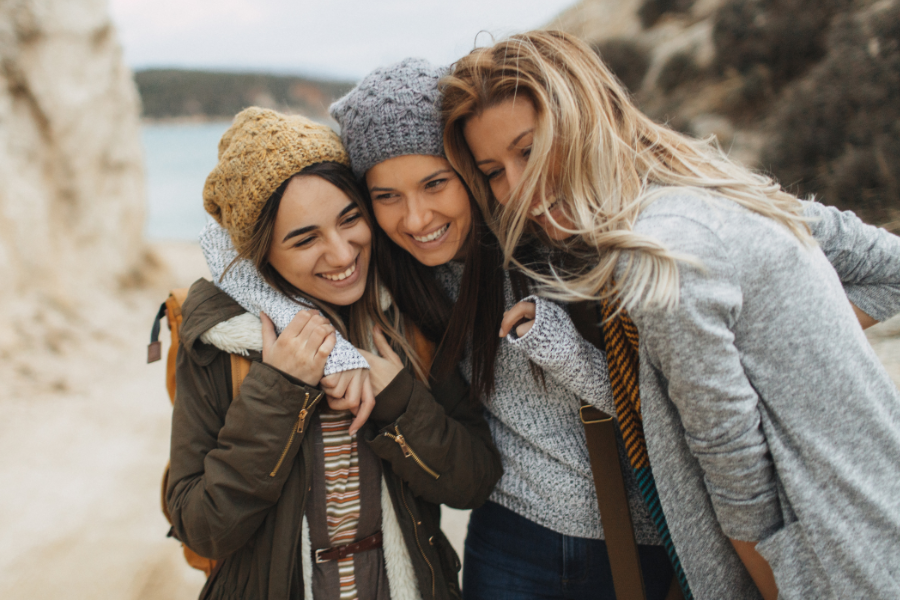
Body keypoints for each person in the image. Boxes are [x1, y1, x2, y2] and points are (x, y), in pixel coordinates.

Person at [441, 30, 900, 600]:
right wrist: (767, 348)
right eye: (493, 171)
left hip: (830, 564)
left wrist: (774, 355)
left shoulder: (662, 253)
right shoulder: (709, 191)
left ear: (586, 119)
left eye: (530, 150)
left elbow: (739, 482)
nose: (519, 188)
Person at [201, 60, 682, 600]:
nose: (416, 218)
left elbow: (667, 413)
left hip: (628, 536)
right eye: (385, 196)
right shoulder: (397, 268)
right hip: (506, 534)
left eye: (435, 183)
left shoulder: (551, 241)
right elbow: (231, 240)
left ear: (469, 171)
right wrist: (331, 351)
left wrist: (559, 348)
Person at [167, 107, 502, 600]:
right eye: (305, 239)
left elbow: (473, 481)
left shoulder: (407, 310)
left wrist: (400, 403)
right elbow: (203, 528)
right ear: (261, 252)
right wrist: (279, 390)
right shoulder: (220, 337)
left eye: (350, 220)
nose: (343, 254)